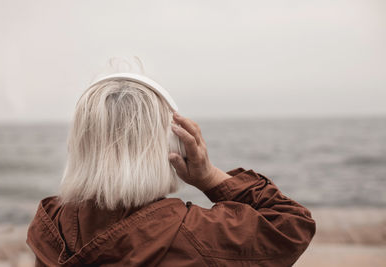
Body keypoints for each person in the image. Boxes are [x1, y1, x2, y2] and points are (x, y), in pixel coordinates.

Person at [26, 73, 316, 266]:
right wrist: (210, 177)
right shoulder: (194, 235)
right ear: (169, 147)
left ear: (78, 146)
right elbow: (292, 225)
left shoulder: (49, 227)